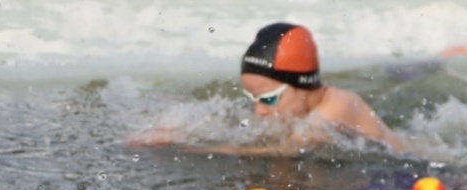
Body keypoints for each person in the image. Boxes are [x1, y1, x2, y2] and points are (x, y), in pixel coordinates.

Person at [128, 22, 404, 155]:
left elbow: (284, 151)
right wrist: (181, 130)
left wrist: (194, 148)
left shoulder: (334, 111)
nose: (258, 110)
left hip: (418, 159)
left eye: (269, 99)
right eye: (253, 98)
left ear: (304, 88)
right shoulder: (302, 106)